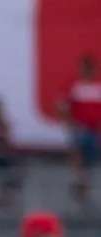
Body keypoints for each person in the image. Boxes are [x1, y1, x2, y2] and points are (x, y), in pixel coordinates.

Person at [59, 55, 101, 203]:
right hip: (81, 129)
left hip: (95, 130)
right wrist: (69, 123)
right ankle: (81, 180)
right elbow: (63, 105)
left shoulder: (98, 87)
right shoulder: (75, 86)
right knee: (76, 145)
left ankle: (85, 182)